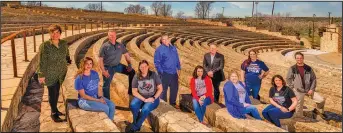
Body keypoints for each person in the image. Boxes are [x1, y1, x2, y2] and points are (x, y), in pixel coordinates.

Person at [37, 24, 71, 122]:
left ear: (60, 33)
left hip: (61, 73)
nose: (55, 34)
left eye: (57, 32)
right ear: (50, 33)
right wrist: (41, 74)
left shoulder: (64, 43)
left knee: (57, 93)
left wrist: (68, 60)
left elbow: (67, 53)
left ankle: (55, 109)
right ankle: (53, 114)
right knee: (53, 93)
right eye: (53, 32)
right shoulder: (45, 45)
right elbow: (42, 61)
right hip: (50, 73)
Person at [286, 52, 325, 118]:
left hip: (308, 89)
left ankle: (317, 111)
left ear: (303, 58)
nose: (299, 59)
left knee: (321, 100)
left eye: (300, 58)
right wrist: (293, 88)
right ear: (295, 59)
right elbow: (288, 79)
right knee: (299, 105)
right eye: (297, 58)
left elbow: (313, 79)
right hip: (298, 90)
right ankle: (299, 117)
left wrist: (312, 89)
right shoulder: (292, 68)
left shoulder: (308, 68)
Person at [99, 30, 135, 100]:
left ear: (116, 36)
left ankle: (131, 91)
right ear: (108, 36)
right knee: (106, 85)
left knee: (132, 72)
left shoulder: (120, 45)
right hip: (108, 67)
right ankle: (107, 101)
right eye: (110, 35)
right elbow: (100, 60)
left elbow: (126, 55)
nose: (112, 37)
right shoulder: (104, 46)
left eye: (113, 35)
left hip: (117, 65)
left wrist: (129, 64)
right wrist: (103, 71)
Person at [129, 60, 162, 132]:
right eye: (141, 67)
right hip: (141, 97)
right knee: (133, 105)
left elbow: (160, 88)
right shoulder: (136, 76)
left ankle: (134, 127)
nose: (143, 68)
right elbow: (134, 91)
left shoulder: (153, 75)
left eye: (145, 67)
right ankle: (137, 125)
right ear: (139, 68)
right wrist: (144, 99)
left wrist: (153, 98)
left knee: (145, 109)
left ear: (148, 67)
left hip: (153, 98)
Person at [154, 34, 181, 109]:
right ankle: (164, 105)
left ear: (169, 39)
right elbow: (157, 62)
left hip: (174, 72)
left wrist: (178, 68)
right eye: (163, 39)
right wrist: (161, 72)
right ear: (161, 41)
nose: (165, 41)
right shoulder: (159, 49)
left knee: (174, 88)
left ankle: (173, 103)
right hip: (165, 73)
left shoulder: (173, 48)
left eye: (167, 39)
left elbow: (177, 59)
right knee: (163, 90)